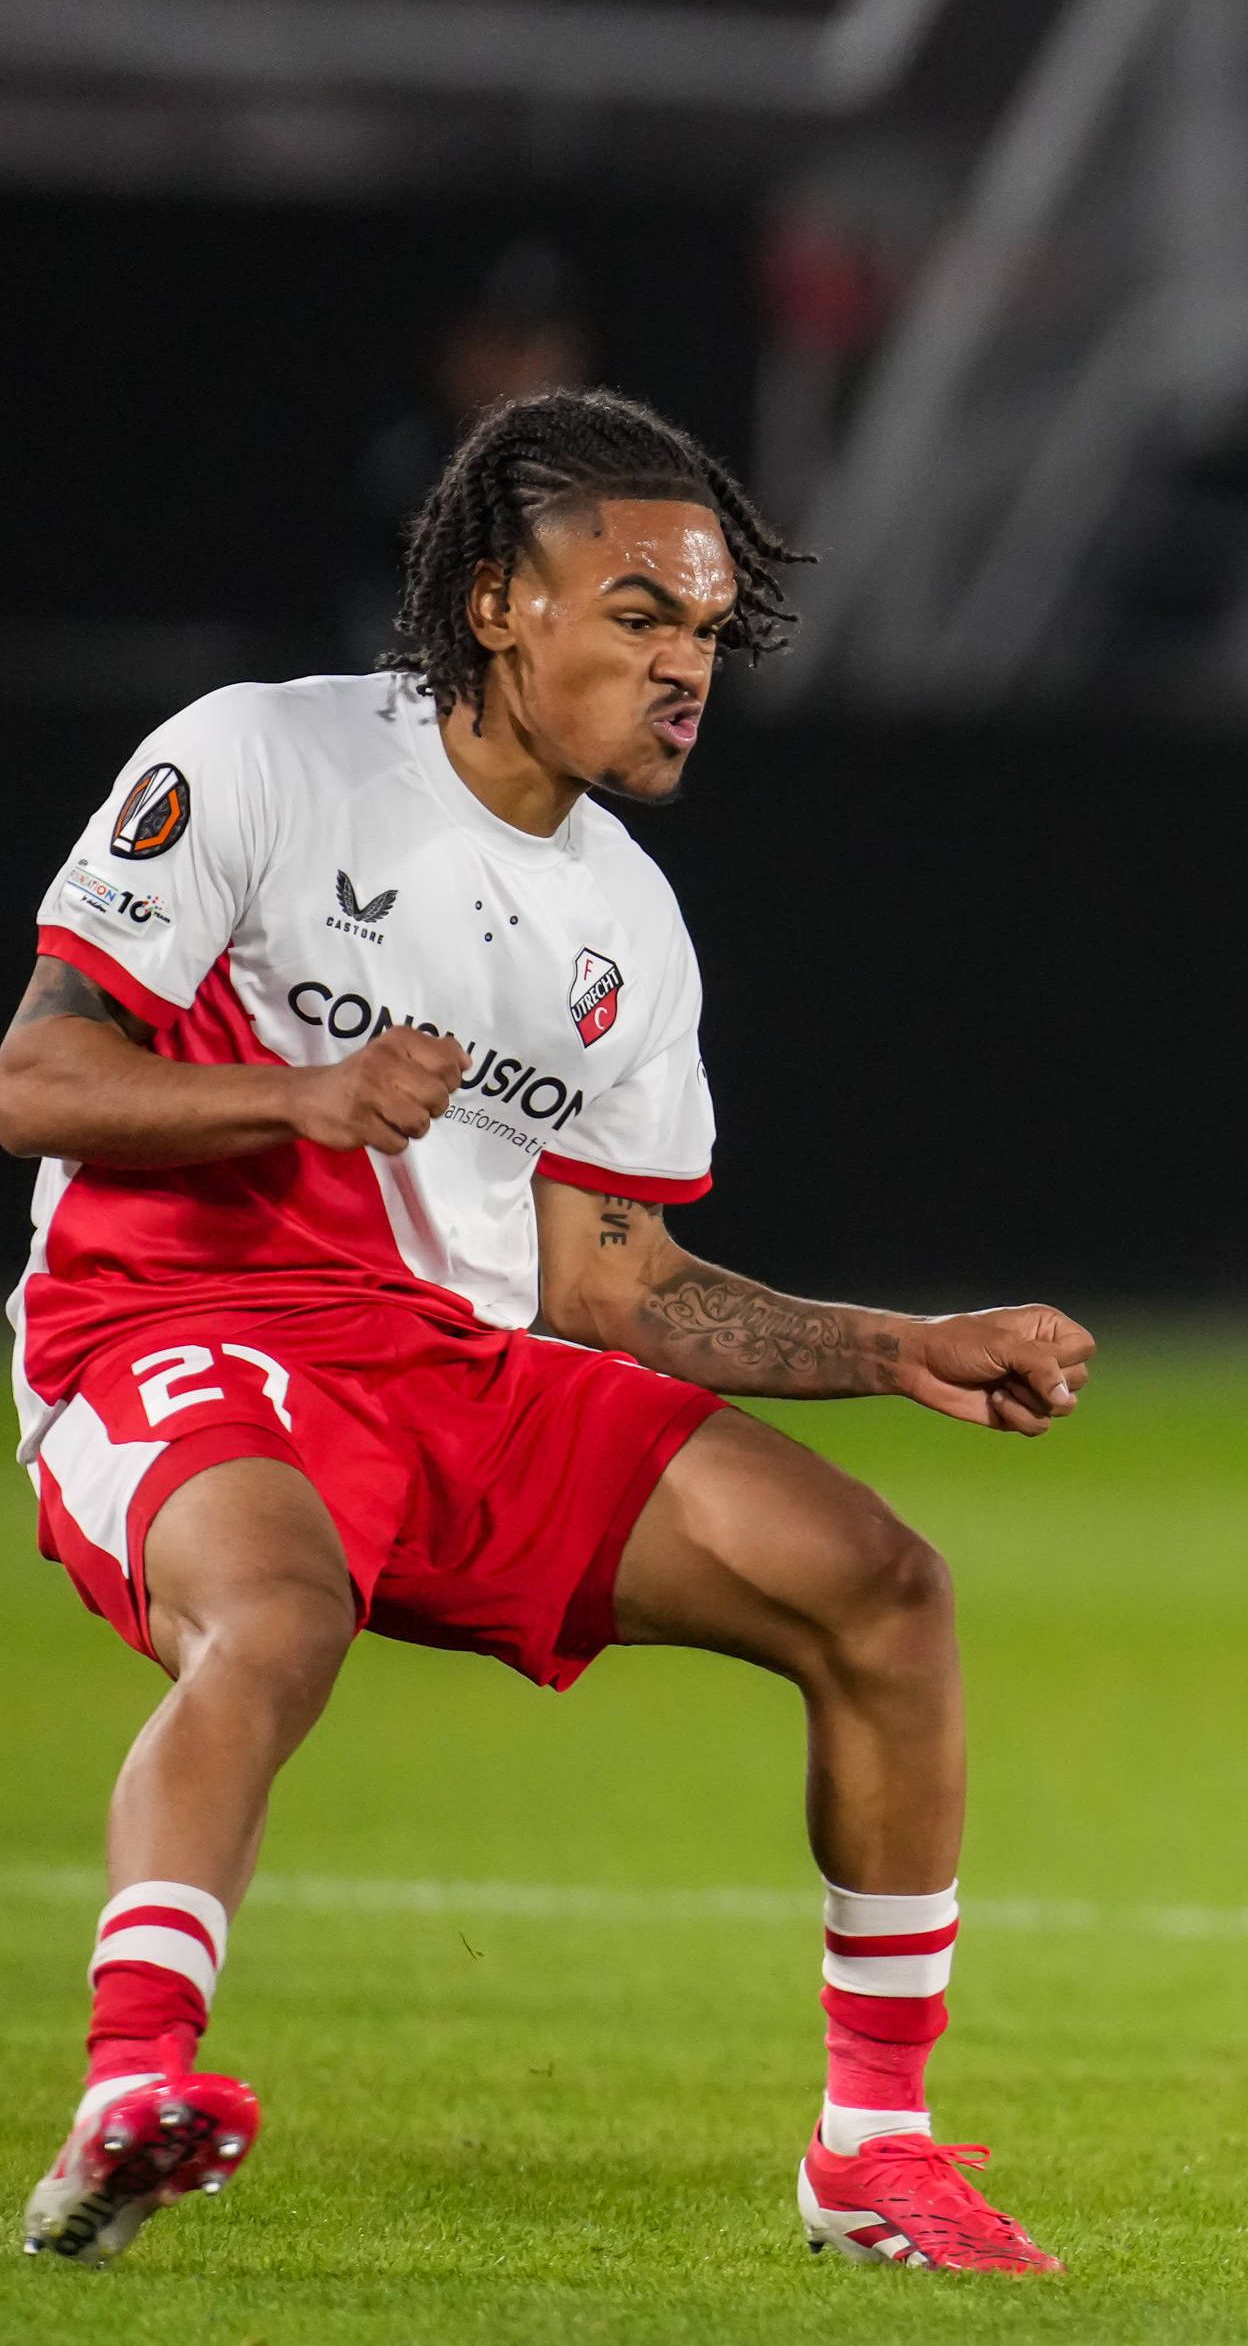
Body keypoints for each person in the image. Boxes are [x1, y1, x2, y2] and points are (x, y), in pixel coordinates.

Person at [5, 388, 1093, 2276]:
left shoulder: (625, 929)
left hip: (457, 1373)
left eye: (707, 630)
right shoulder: (264, 759)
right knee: (277, 1609)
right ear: (499, 605)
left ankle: (876, 2149)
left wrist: (894, 1341)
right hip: (177, 1321)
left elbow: (613, 1284)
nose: (688, 667)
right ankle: (132, 2089)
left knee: (879, 1584)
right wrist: (297, 1094)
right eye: (641, 615)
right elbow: (37, 1074)